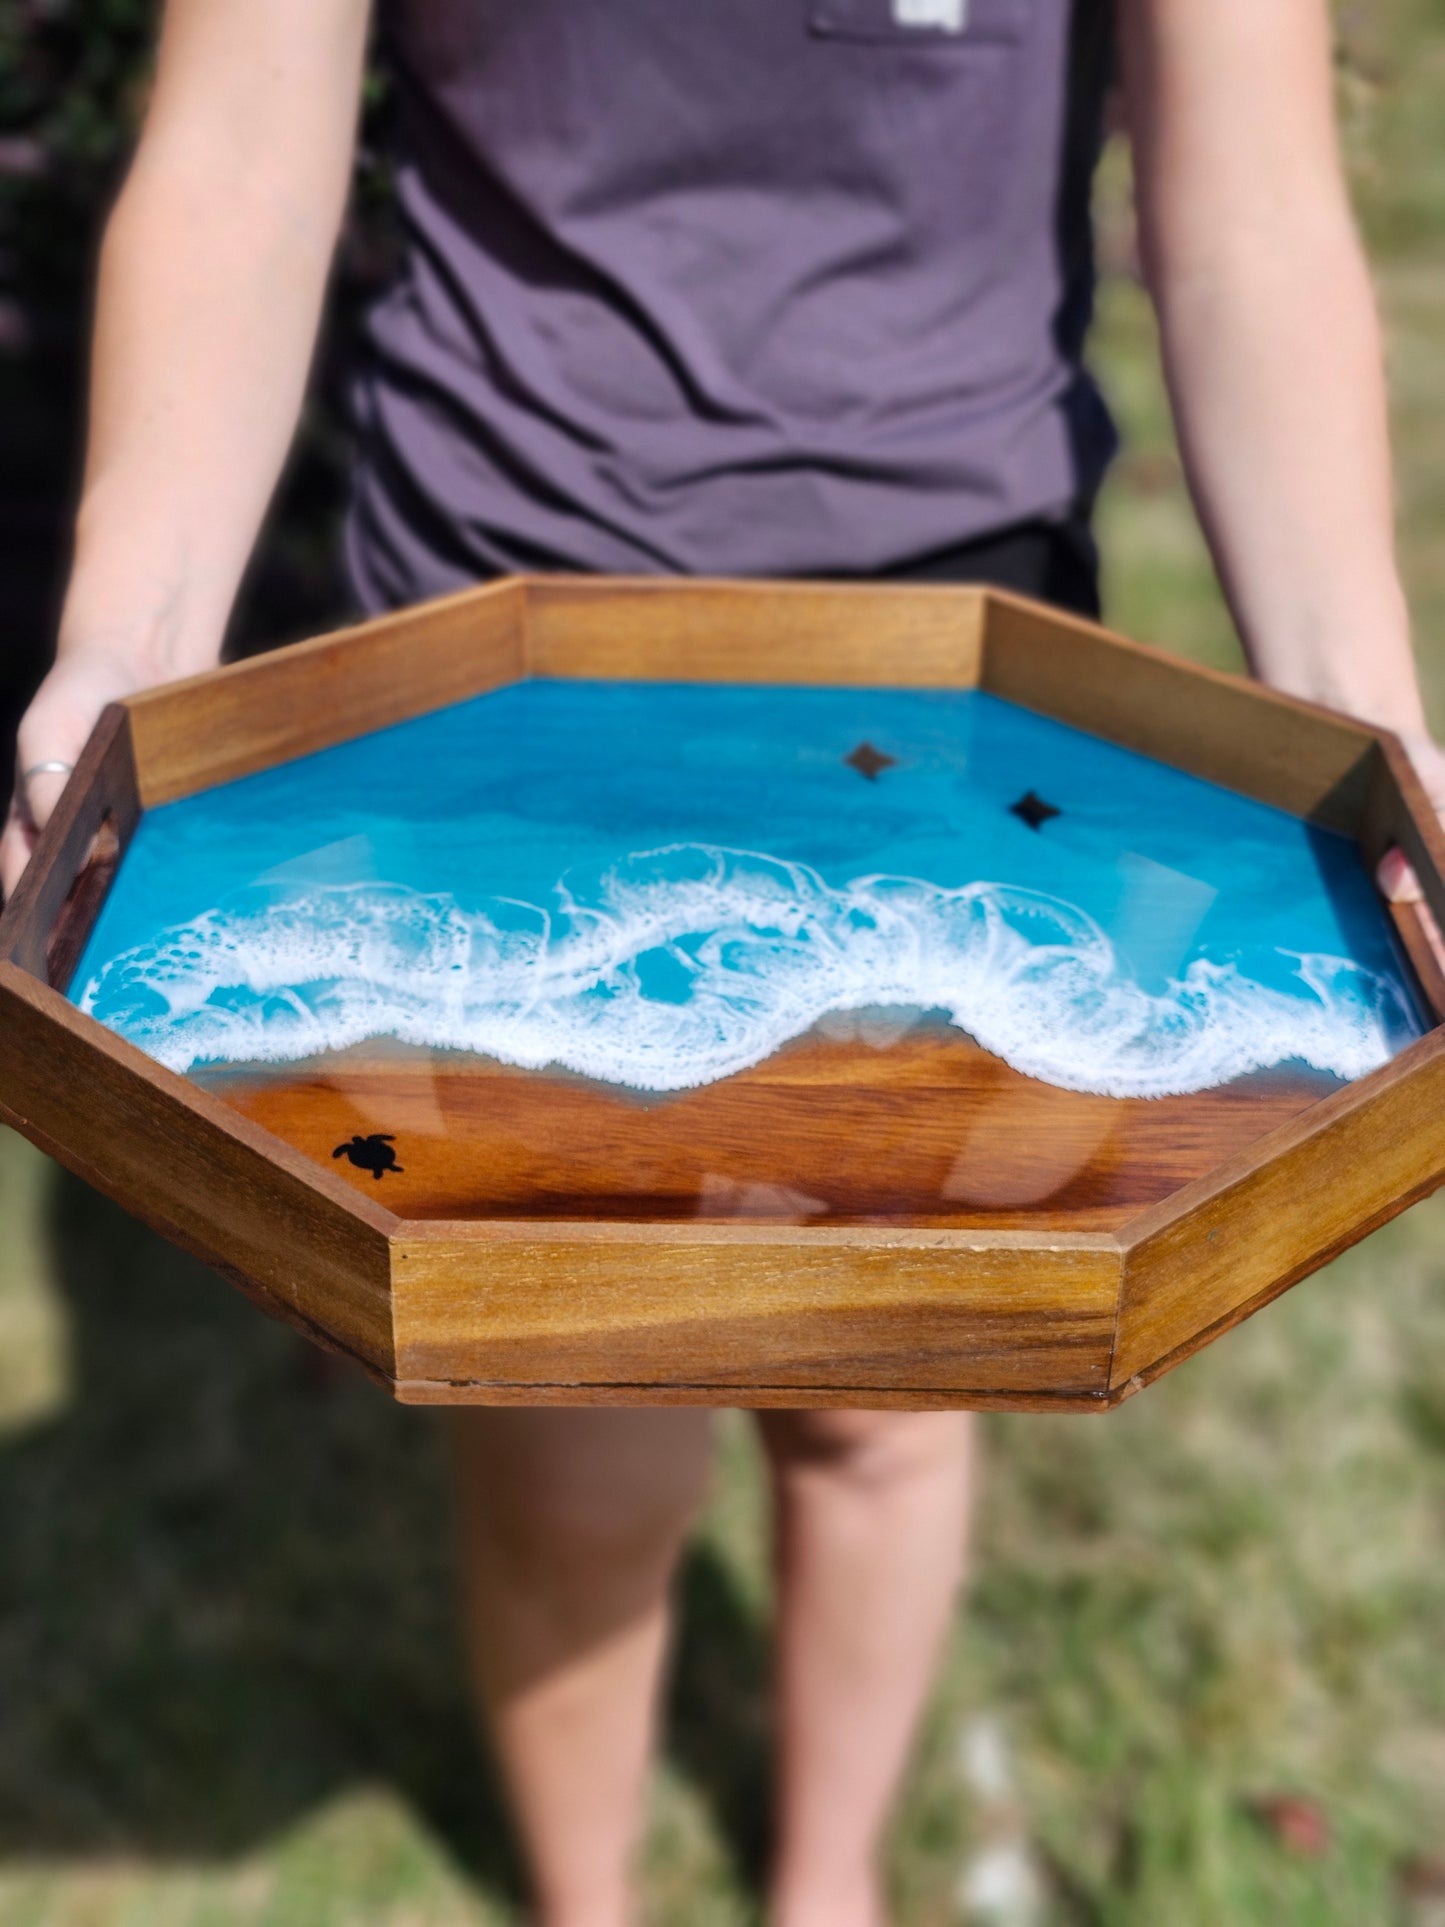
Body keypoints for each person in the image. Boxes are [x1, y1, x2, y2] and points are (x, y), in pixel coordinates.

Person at [4, 3, 1443, 1922]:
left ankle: (825, 1885)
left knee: (884, 1392)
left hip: (966, 699)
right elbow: (247, 152)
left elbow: (1248, 207)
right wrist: (124, 645)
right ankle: (587, 1902)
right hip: (494, 671)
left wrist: (1365, 729)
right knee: (572, 1412)